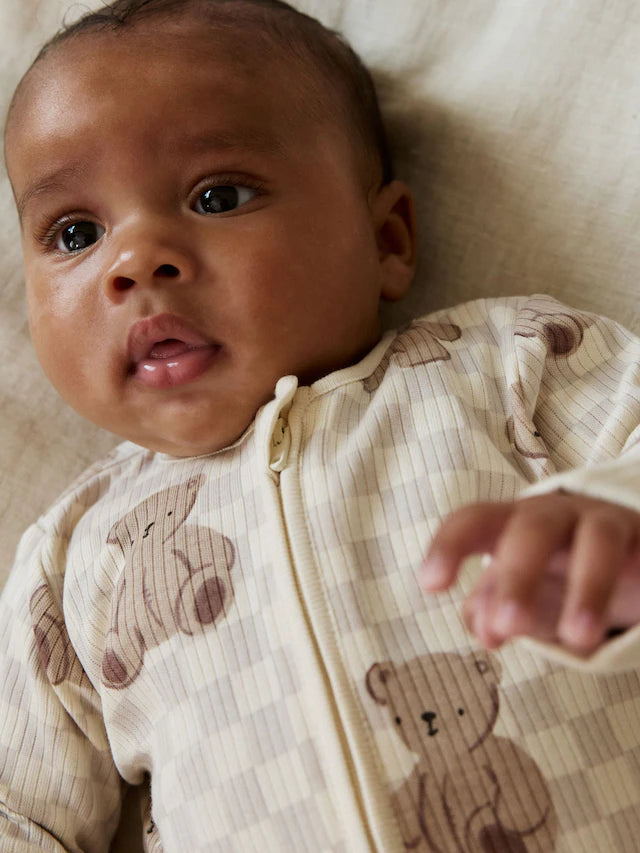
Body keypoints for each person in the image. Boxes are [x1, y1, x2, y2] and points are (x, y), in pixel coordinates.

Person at [1, 0, 639, 849]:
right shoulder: (72, 554)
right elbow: (19, 808)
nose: (135, 259)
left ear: (387, 240)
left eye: (217, 195)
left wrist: (618, 513)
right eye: (76, 232)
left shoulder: (509, 364)